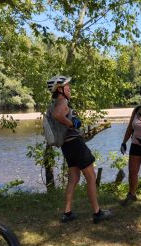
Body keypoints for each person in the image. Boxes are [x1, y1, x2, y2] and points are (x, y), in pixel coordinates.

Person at [46, 75, 112, 224]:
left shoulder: (55, 102)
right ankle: (97, 212)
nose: (70, 88)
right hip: (75, 143)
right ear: (60, 89)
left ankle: (67, 212)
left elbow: (56, 115)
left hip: (67, 146)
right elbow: (58, 115)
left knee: (74, 178)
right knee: (91, 177)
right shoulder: (62, 102)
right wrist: (72, 123)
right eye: (67, 86)